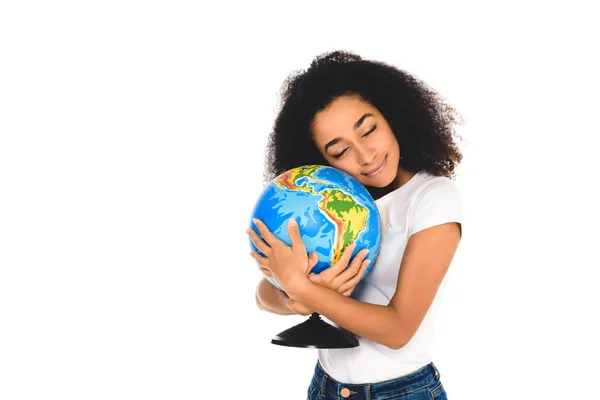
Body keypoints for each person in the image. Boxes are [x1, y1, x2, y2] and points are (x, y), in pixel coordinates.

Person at [247, 50, 463, 400]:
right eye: (338, 151)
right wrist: (295, 302)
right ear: (321, 160)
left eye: (369, 130)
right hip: (326, 387)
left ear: (392, 115)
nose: (365, 155)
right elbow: (264, 293)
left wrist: (304, 290)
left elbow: (398, 329)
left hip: (400, 393)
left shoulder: (434, 198)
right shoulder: (331, 200)